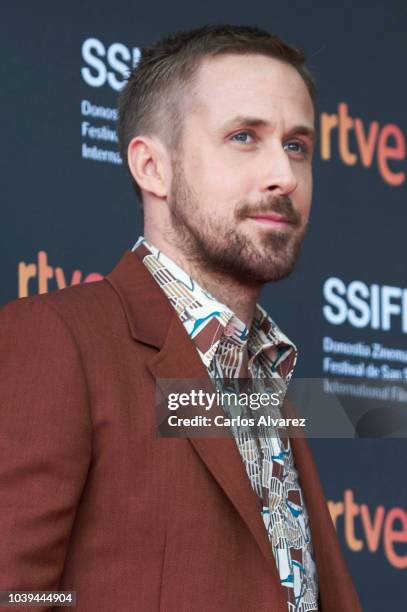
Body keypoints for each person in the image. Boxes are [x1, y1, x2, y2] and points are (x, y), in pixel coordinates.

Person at [0, 24, 360, 612]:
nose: (285, 176)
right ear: (152, 168)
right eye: (244, 136)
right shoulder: (57, 340)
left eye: (297, 146)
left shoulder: (267, 378)